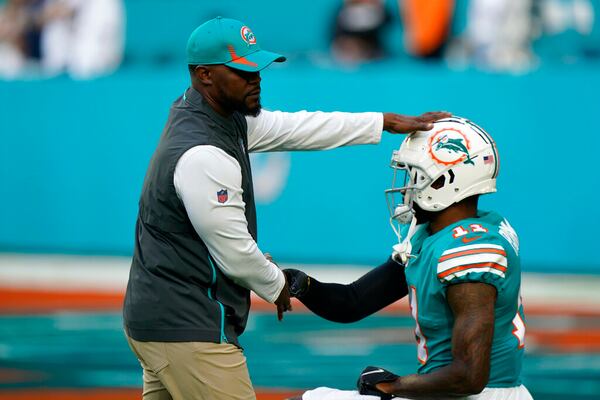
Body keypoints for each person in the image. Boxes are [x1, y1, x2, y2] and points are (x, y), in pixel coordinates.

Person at [122, 16, 449, 400]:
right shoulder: (204, 154)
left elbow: (300, 128)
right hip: (188, 325)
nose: (255, 78)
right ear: (204, 75)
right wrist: (277, 285)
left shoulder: (211, 115)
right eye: (242, 71)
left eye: (257, 68)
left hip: (160, 319)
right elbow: (236, 255)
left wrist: (383, 122)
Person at [284, 116, 532, 400]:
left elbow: (469, 376)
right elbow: (352, 302)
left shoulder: (468, 249)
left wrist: (393, 386)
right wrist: (302, 285)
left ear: (445, 181)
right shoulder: (433, 235)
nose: (407, 186)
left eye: (416, 174)